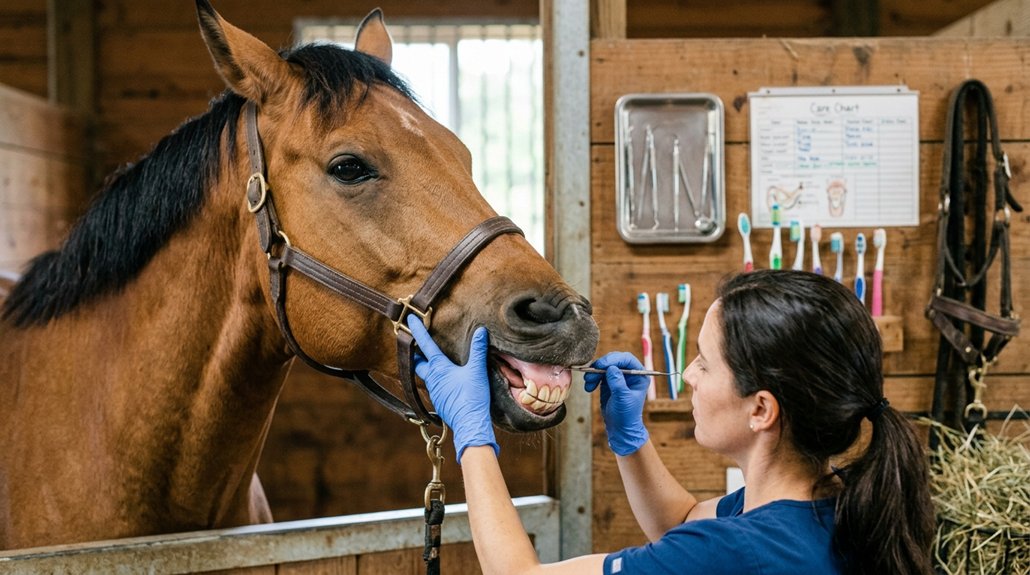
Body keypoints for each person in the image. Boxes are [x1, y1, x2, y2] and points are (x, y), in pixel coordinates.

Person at [407, 269, 935, 575]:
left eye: (704, 362)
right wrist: (630, 440)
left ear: (761, 410)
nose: (687, 375)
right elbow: (682, 520)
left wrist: (472, 435)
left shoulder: (731, 551)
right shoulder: (833, 504)